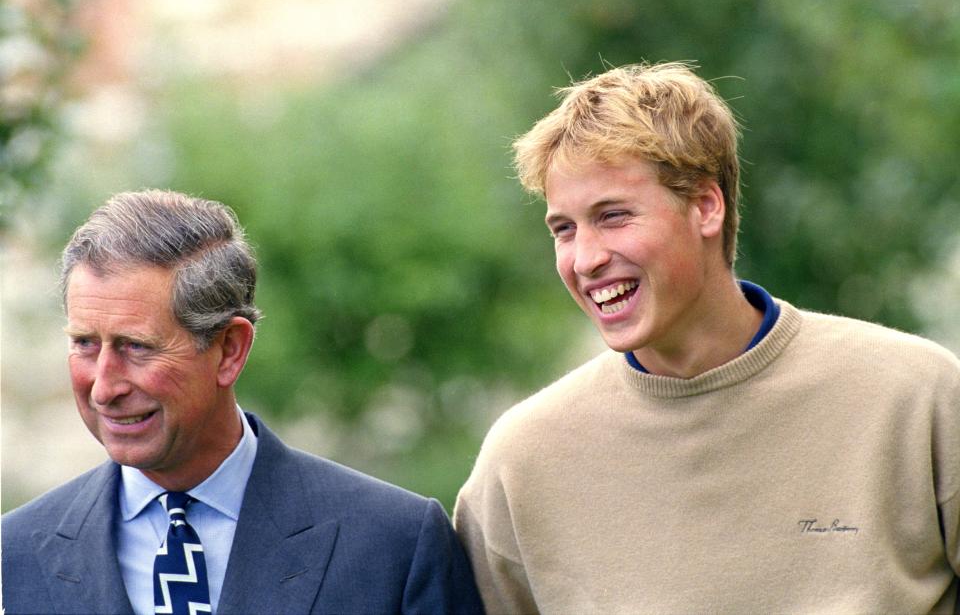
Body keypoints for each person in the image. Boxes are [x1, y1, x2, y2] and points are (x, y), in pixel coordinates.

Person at [454, 62, 960, 613]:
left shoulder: (917, 394)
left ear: (705, 207)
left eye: (614, 215)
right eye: (564, 229)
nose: (586, 258)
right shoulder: (522, 462)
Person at [1, 190, 483, 615]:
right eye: (85, 343)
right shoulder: (14, 556)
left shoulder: (392, 546)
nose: (104, 387)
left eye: (137, 347)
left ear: (230, 349)